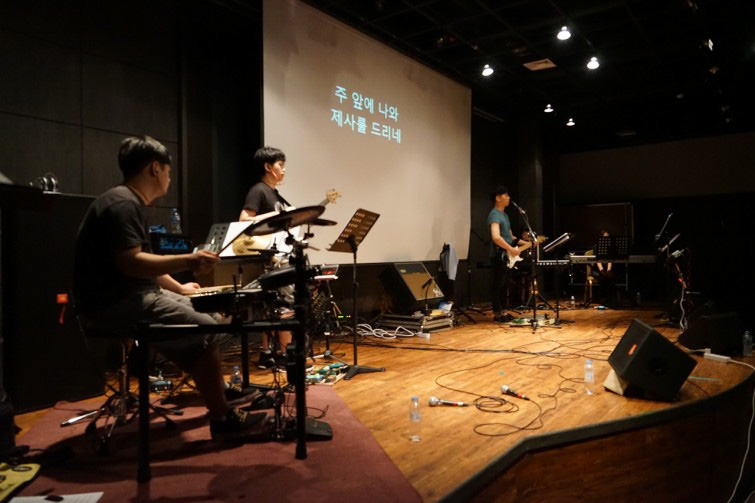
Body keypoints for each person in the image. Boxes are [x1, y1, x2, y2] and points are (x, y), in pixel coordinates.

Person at [73, 136, 262, 441]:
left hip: (130, 294)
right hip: (115, 303)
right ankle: (222, 418)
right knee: (206, 328)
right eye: (169, 172)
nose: (169, 179)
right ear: (155, 168)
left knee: (203, 312)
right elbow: (131, 263)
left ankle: (219, 389)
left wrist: (181, 287)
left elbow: (142, 265)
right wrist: (189, 259)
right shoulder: (123, 205)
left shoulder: (124, 200)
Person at [239, 146, 295, 369]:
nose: (284, 170)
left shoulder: (275, 194)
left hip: (279, 255)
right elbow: (244, 220)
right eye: (281, 165)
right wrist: (277, 214)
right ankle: (285, 355)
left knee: (272, 307)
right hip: (271, 258)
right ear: (268, 167)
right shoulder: (259, 190)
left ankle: (268, 354)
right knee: (283, 305)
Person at [488, 186, 526, 322]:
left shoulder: (505, 215)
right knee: (499, 284)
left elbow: (511, 237)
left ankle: (504, 311)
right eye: (506, 195)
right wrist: (511, 249)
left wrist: (528, 243)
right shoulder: (494, 214)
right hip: (499, 255)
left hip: (507, 255)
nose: (509, 198)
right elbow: (496, 237)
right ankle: (497, 313)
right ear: (498, 198)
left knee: (505, 284)